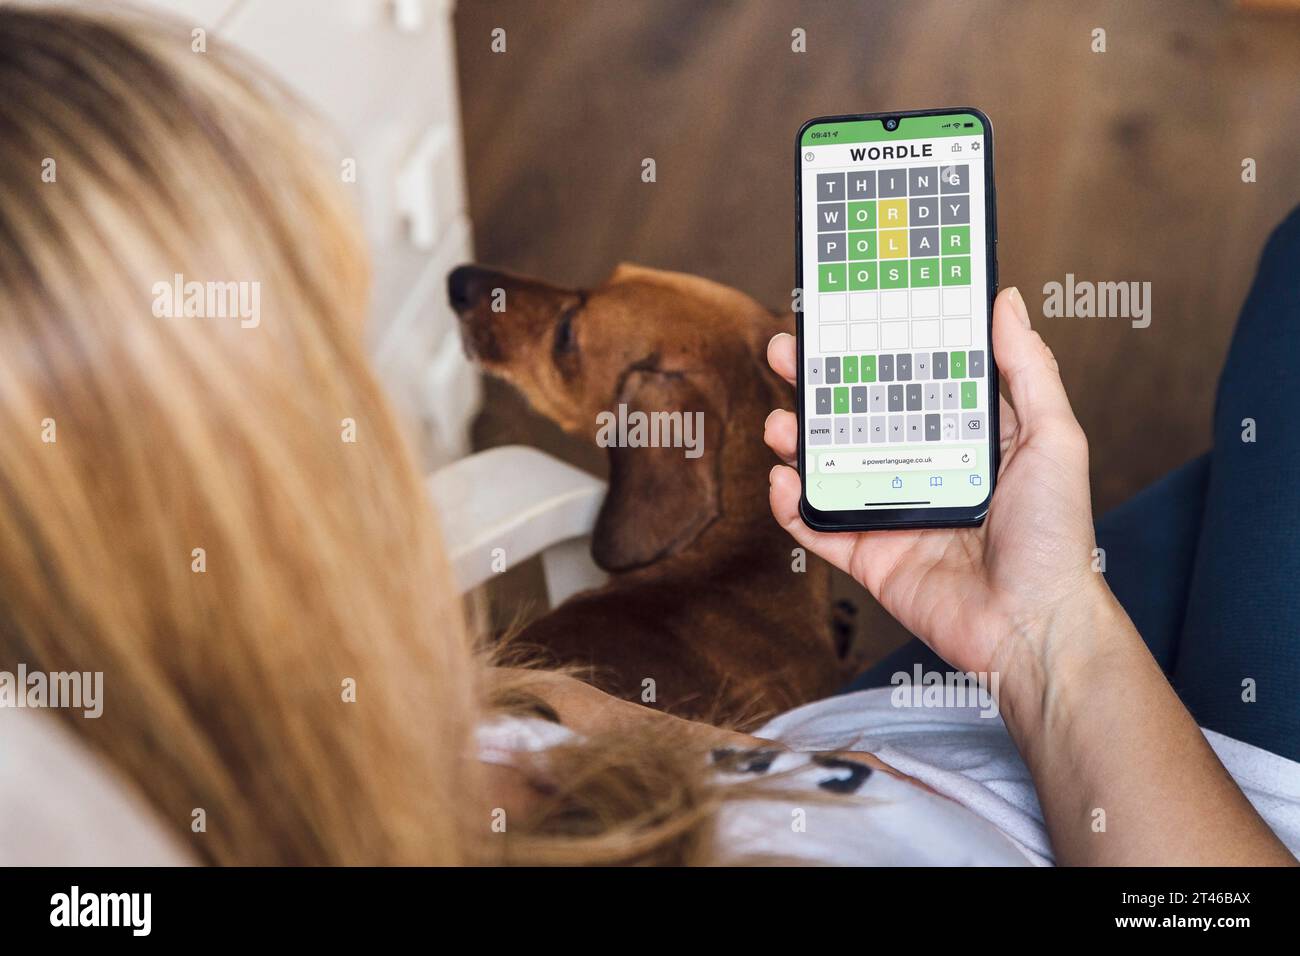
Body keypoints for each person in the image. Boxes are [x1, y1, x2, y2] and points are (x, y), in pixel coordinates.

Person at [0, 6, 1295, 866]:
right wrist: (1050, 643)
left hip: (955, 707)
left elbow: (648, 733)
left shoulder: (380, 745)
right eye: (313, 353)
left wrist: (1035, 629)